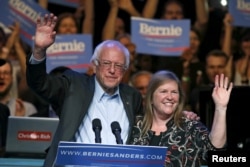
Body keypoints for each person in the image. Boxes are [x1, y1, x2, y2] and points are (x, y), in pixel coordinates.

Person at [27, 13, 200, 167]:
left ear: (125, 70)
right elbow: (40, 84)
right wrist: (39, 50)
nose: (112, 70)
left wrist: (179, 115)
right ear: (95, 65)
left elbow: (153, 120)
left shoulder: (131, 96)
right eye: (107, 64)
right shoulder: (74, 84)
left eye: (118, 66)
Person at [129, 70, 233, 166]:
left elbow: (215, 151)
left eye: (174, 92)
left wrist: (221, 107)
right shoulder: (135, 126)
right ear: (151, 98)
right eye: (164, 91)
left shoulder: (190, 127)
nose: (170, 97)